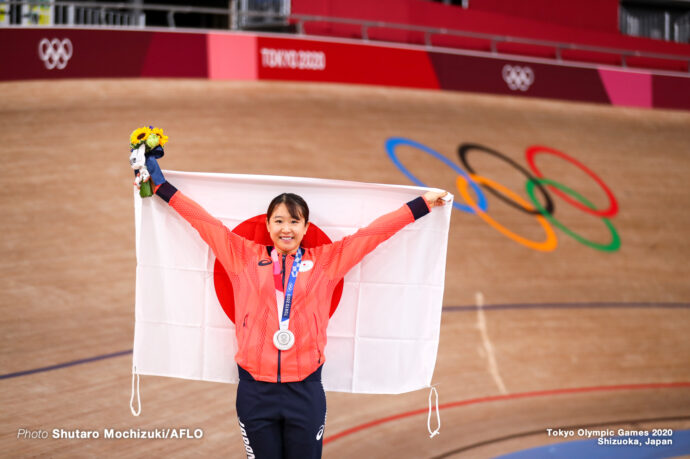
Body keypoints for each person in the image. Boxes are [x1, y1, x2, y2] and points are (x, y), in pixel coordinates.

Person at [135, 155, 448, 459]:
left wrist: (421, 204)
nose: (287, 228)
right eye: (279, 220)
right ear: (268, 225)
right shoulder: (241, 256)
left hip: (305, 391)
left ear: (305, 226)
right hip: (254, 391)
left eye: (294, 221)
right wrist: (162, 188)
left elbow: (373, 234)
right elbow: (203, 222)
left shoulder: (326, 262)